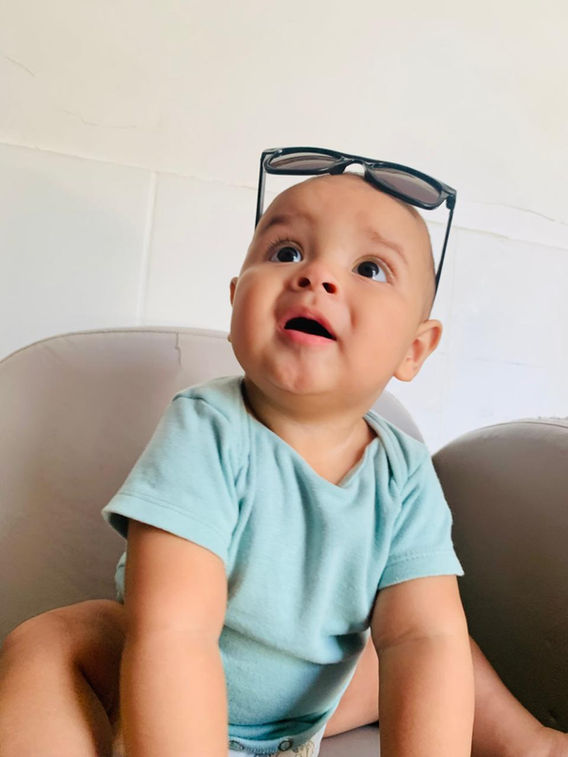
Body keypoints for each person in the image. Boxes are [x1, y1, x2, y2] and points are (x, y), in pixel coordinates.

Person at [0, 158, 566, 757]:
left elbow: (421, 639)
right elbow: (173, 629)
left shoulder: (403, 472)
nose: (316, 275)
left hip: (311, 704)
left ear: (414, 349)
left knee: (437, 645)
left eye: (369, 268)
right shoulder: (208, 427)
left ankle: (531, 744)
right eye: (287, 252)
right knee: (53, 643)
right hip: (155, 691)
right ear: (235, 301)